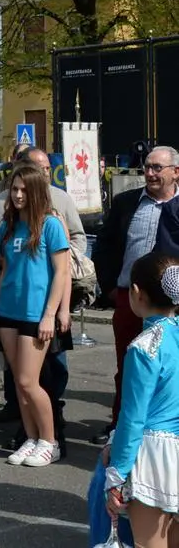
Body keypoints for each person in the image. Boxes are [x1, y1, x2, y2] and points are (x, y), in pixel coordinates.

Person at [93, 146, 179, 445]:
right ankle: (119, 426)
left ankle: (163, 432)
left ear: (175, 172)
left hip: (171, 308)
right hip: (130, 300)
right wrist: (109, 287)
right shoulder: (126, 203)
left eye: (158, 168)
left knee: (167, 372)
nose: (151, 173)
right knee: (127, 366)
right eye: (148, 167)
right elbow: (104, 245)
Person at [0, 163, 70, 467]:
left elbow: (62, 272)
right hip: (8, 308)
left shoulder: (50, 225)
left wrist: (52, 314)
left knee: (28, 380)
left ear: (36, 191)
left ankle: (51, 441)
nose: (18, 194)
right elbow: (6, 268)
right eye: (14, 188)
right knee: (19, 382)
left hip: (36, 313)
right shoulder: (9, 226)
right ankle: (32, 438)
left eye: (24, 189)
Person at [104, 253, 179, 546]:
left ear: (136, 293)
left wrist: (117, 473)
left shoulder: (144, 347)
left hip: (154, 456)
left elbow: (133, 418)